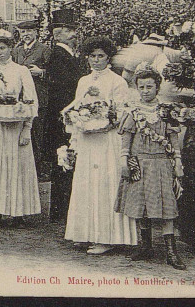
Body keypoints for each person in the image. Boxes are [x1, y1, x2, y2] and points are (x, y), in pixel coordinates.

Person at [64, 36, 137, 254]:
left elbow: (123, 113)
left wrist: (105, 121)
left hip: (107, 140)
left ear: (108, 58)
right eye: (92, 56)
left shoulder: (117, 82)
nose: (96, 60)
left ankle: (107, 238)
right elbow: (76, 108)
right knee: (87, 184)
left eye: (101, 56)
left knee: (104, 185)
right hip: (88, 140)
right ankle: (85, 234)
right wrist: (75, 134)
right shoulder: (83, 81)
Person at [115, 65, 185, 269]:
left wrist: (178, 162)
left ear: (157, 87)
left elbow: (173, 138)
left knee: (166, 208)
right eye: (141, 87)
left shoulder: (166, 111)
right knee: (140, 205)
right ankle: (146, 246)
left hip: (162, 163)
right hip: (139, 163)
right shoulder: (132, 111)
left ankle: (172, 253)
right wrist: (124, 161)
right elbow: (126, 140)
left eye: (149, 87)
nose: (145, 91)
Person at [0, 33, 41, 227]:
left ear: (10, 48)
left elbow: (31, 99)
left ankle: (18, 213)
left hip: (15, 123)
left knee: (16, 166)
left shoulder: (21, 71)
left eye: (2, 48)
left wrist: (26, 129)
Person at [43, 9, 83, 223]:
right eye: (68, 30)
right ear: (57, 33)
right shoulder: (58, 55)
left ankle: (63, 210)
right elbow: (65, 87)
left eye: (73, 29)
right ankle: (60, 212)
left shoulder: (69, 53)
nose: (73, 34)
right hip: (63, 115)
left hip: (67, 113)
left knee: (66, 161)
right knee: (63, 160)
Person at [12, 19, 51, 178]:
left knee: (36, 133)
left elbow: (53, 73)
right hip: (20, 98)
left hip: (38, 97)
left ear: (36, 32)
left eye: (29, 31)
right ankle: (22, 168)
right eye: (23, 32)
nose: (26, 35)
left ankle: (37, 169)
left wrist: (41, 72)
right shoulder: (16, 51)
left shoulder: (44, 50)